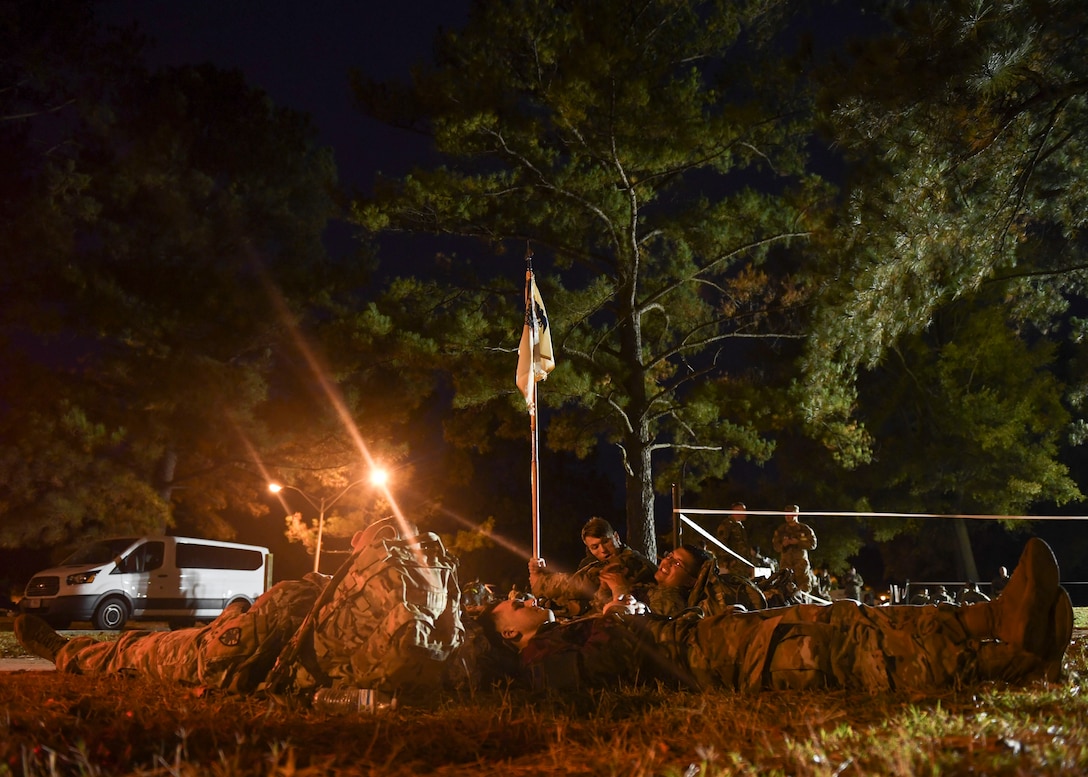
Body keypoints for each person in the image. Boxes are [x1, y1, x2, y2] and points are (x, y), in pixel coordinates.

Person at [480, 538, 1073, 694]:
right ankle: (1008, 653)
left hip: (707, 635)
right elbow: (598, 671)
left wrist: (621, 611)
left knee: (848, 617)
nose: (526, 600)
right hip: (706, 659)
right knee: (849, 655)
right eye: (516, 605)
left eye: (522, 595)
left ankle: (995, 617)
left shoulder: (560, 626)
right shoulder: (539, 658)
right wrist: (625, 619)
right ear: (509, 633)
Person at [14, 520, 466, 702]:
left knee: (148, 650)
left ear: (520, 639)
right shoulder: (456, 622)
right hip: (275, 626)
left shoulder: (468, 642)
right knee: (178, 642)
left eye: (533, 612)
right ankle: (232, 619)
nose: (525, 600)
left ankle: (67, 654)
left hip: (251, 654)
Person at [528, 517, 656, 616]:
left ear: (616, 537)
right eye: (595, 547)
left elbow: (581, 584)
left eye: (606, 541)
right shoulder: (591, 563)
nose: (603, 550)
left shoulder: (628, 562)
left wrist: (541, 581)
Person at [772, 505, 818, 593]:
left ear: (796, 514)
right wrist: (783, 544)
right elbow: (776, 547)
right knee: (785, 590)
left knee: (804, 591)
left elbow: (813, 544)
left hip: (801, 566)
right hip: (786, 566)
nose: (788, 516)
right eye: (786, 514)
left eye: (790, 514)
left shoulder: (805, 529)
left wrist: (798, 542)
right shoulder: (781, 530)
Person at [714, 502, 754, 577]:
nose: (746, 513)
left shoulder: (740, 527)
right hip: (732, 567)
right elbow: (721, 544)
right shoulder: (727, 525)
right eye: (743, 511)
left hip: (741, 567)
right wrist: (727, 562)